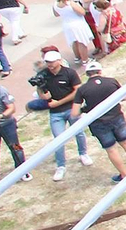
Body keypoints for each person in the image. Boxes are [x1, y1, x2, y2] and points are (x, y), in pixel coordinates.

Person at [28, 49, 90, 180]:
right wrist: (41, 91)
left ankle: (83, 154)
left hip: (70, 108)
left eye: (52, 62)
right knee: (58, 139)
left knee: (79, 132)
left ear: (59, 61)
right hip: (56, 113)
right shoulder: (43, 75)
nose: (49, 65)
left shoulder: (69, 73)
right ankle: (61, 166)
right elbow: (42, 94)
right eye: (47, 62)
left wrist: (59, 102)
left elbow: (77, 91)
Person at [76, 61, 126, 183]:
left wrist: (85, 108)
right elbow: (124, 96)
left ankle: (124, 175)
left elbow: (75, 113)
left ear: (87, 74)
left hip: (99, 123)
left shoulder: (82, 89)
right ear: (100, 72)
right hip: (117, 117)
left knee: (111, 149)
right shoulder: (111, 81)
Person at [54, 0, 92, 65]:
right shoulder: (71, 4)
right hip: (77, 24)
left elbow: (56, 14)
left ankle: (77, 57)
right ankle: (85, 60)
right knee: (81, 42)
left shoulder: (56, 4)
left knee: (74, 41)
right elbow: (82, 12)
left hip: (66, 24)